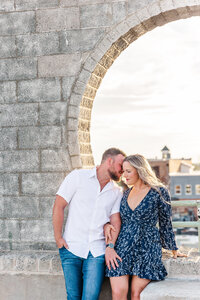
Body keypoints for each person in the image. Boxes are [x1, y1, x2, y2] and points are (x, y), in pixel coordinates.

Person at [104, 154, 187, 300]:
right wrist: (107, 226)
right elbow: (117, 219)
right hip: (123, 247)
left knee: (137, 294)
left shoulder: (159, 192)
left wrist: (173, 249)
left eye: (128, 171)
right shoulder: (126, 193)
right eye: (123, 171)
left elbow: (165, 223)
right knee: (118, 293)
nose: (124, 175)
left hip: (147, 248)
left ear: (139, 170)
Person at [52, 148, 126, 300]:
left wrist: (110, 246)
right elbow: (59, 205)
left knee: (90, 298)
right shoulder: (78, 177)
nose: (123, 171)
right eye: (120, 166)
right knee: (73, 296)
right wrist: (58, 238)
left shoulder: (116, 191)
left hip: (97, 251)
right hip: (71, 247)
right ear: (109, 161)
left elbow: (115, 221)